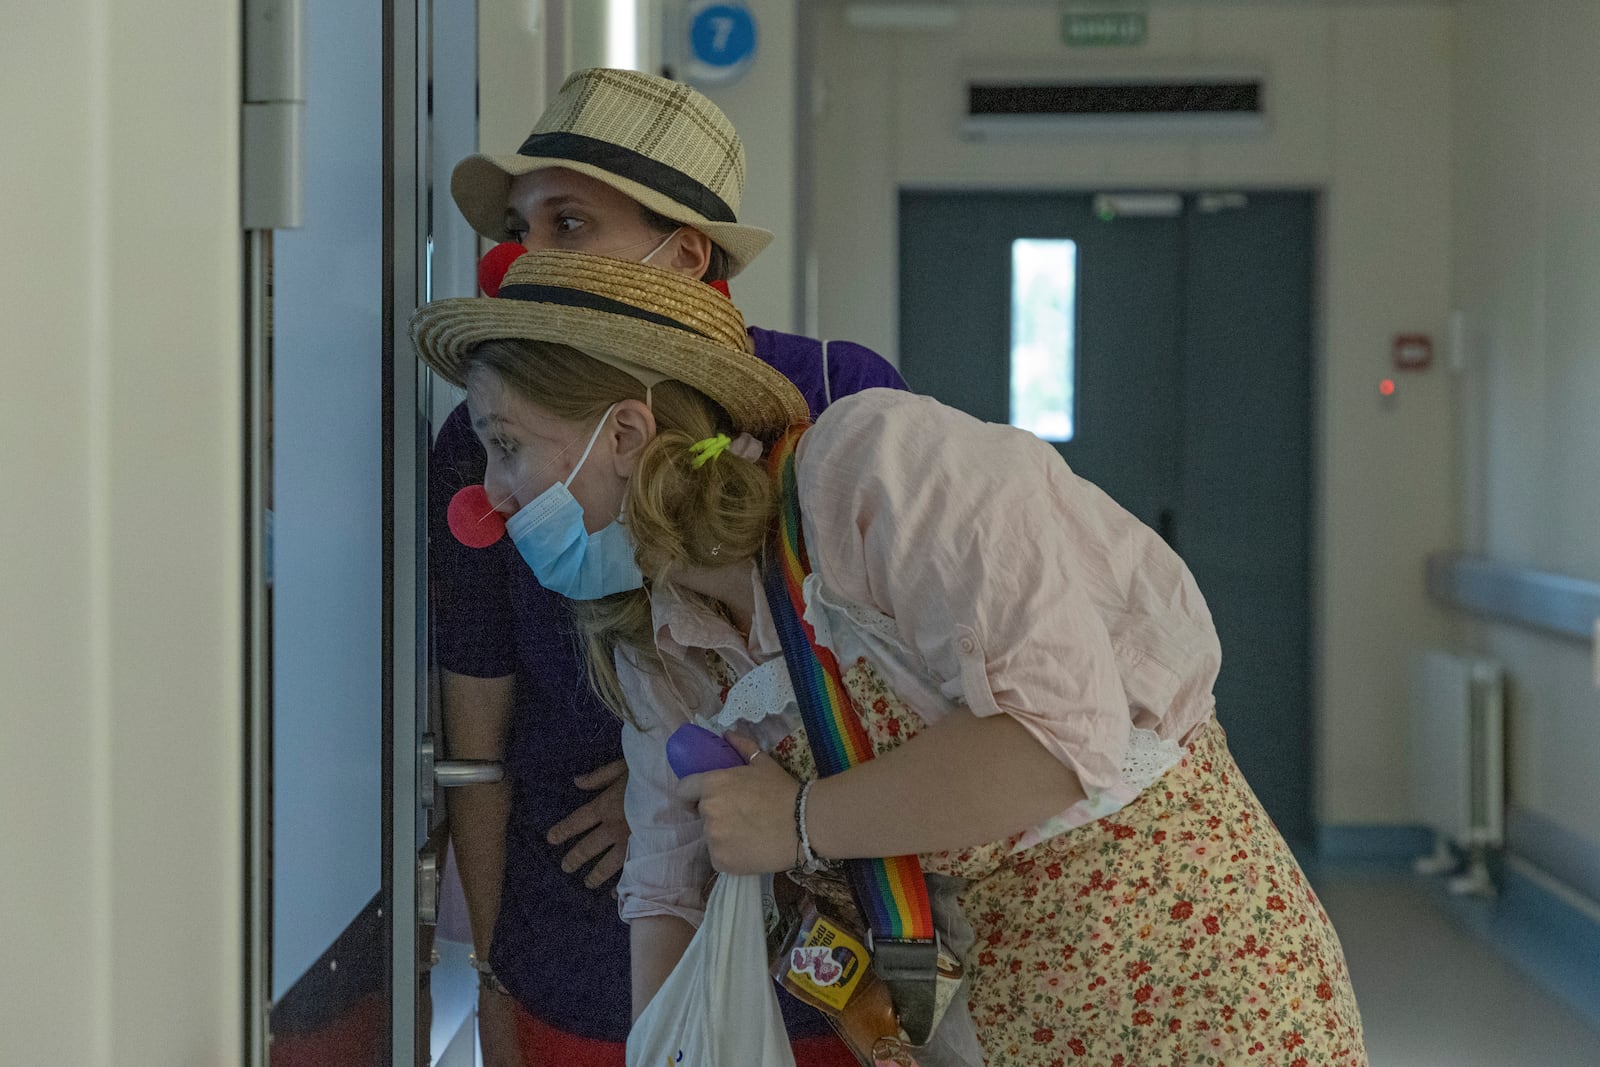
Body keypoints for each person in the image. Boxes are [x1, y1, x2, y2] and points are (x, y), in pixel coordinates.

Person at [412, 247, 1370, 1067]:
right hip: (994, 1017)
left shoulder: (875, 474)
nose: (488, 500)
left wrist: (797, 819)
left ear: (624, 433)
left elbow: (1054, 737)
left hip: (1188, 987)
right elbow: (666, 876)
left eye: (505, 447)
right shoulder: (658, 635)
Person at [429, 67, 905, 1066]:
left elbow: (922, 693)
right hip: (584, 932)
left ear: (686, 254)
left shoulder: (834, 402)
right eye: (521, 226)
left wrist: (718, 778)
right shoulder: (488, 438)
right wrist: (489, 978)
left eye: (568, 223)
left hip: (827, 938)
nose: (526, 257)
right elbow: (476, 736)